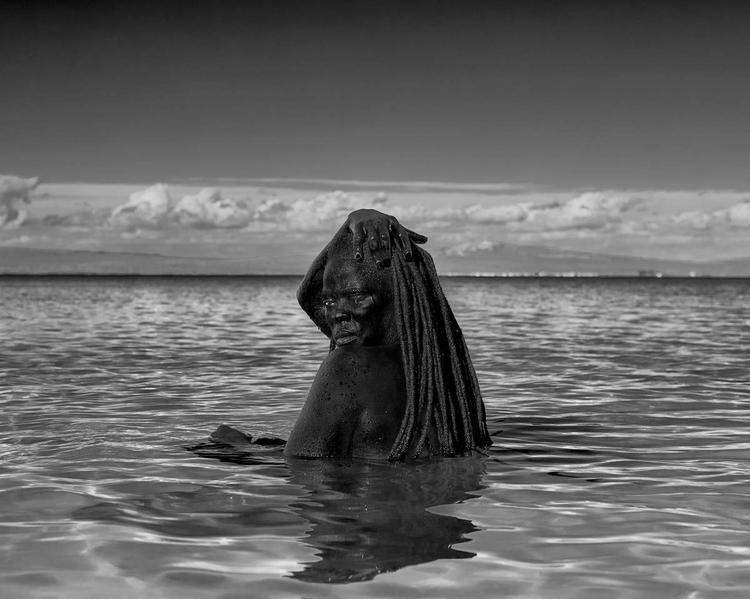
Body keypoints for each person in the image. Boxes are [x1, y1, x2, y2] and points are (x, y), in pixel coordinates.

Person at [284, 209, 491, 461]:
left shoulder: (349, 366)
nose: (338, 313)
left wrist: (231, 449)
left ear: (399, 300)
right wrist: (350, 226)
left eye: (358, 296)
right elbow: (309, 297)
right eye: (329, 302)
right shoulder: (441, 375)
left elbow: (300, 466)